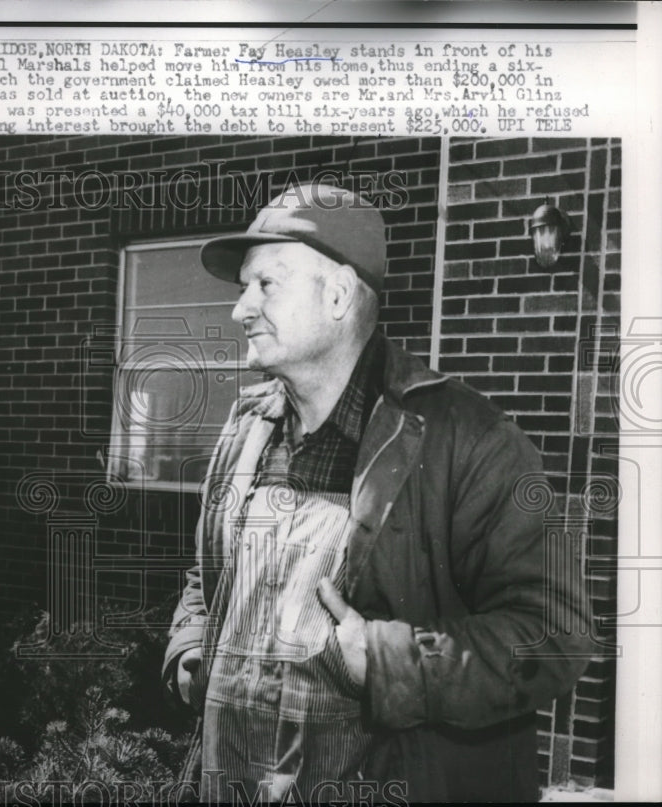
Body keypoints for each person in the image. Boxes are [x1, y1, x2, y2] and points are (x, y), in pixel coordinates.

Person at [162, 181, 593, 804]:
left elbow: (553, 636)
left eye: (266, 284)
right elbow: (209, 575)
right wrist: (192, 646)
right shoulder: (247, 425)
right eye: (243, 288)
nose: (241, 310)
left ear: (338, 294)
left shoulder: (468, 440)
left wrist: (390, 662)